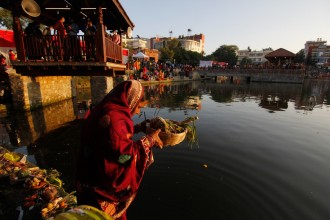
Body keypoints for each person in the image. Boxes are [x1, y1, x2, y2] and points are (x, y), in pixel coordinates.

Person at [76, 80, 163, 220]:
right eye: (139, 106)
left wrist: (139, 128)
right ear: (131, 100)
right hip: (100, 187)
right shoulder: (116, 118)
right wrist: (149, 140)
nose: (138, 111)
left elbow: (110, 140)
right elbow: (122, 153)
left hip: (88, 175)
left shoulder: (107, 107)